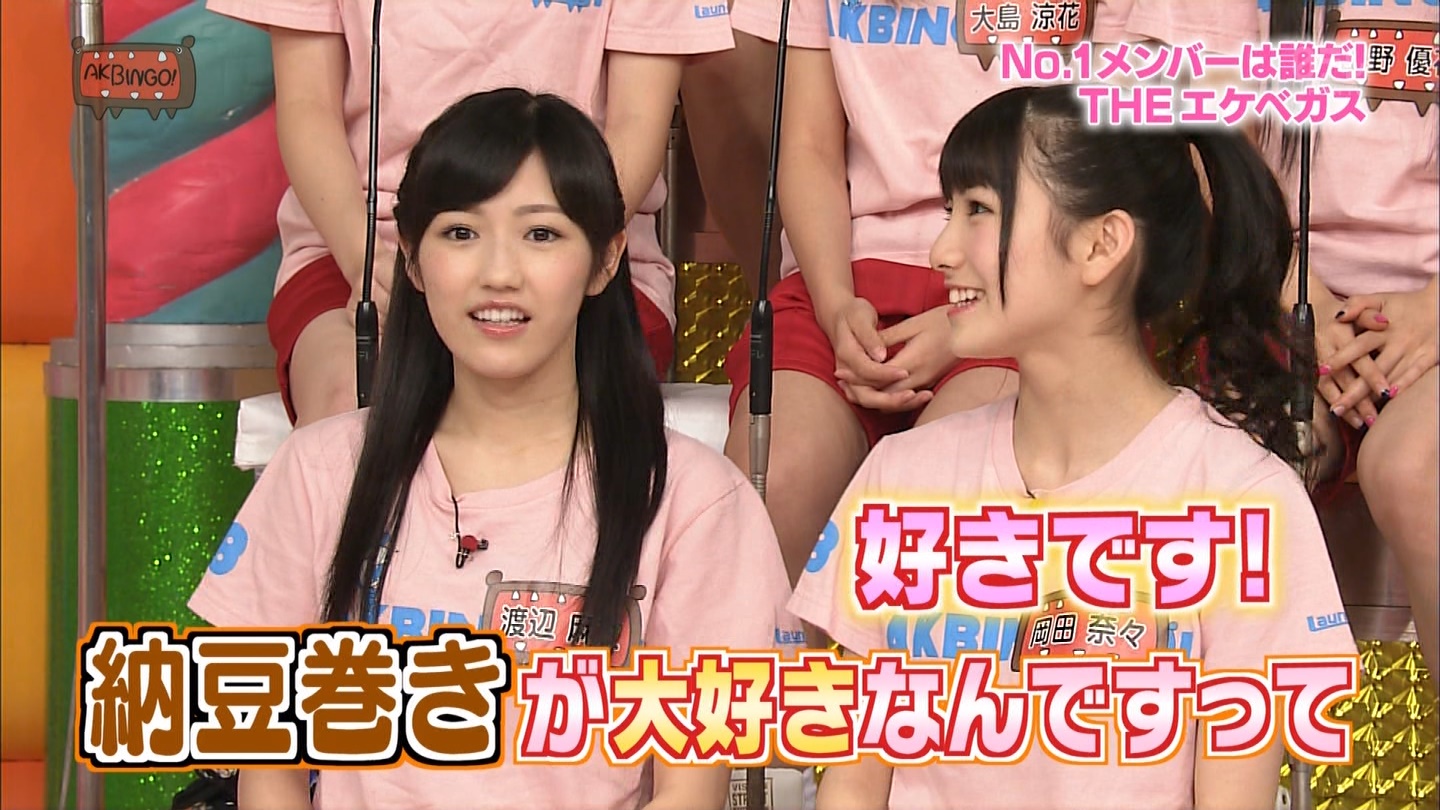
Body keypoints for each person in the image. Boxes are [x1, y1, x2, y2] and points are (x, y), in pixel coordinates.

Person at [188, 89, 798, 810]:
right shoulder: (321, 471)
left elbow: (688, 794)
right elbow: (270, 772)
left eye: (540, 234)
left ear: (606, 260)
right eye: (460, 233)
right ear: (412, 260)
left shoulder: (694, 500)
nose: (498, 273)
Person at [791, 84, 1358, 809]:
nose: (941, 251)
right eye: (947, 211)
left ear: (1100, 244)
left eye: (979, 210)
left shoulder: (1242, 500)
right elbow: (853, 782)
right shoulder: (901, 479)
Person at [721, 0, 1263, 590]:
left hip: (1037, 286)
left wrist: (969, 317)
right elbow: (808, 147)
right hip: (846, 277)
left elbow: (1125, 163)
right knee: (774, 480)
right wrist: (835, 308)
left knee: (950, 489)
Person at [205, 0, 734, 425]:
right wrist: (367, 262)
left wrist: (556, 251)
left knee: (564, 412)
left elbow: (637, 121)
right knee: (354, 402)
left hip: (574, 247)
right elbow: (307, 106)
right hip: (368, 244)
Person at [1261, 0, 1438, 685]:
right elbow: (1208, 161)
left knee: (1410, 466)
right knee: (1258, 452)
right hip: (1285, 299)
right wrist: (1308, 309)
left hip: (1431, 305)